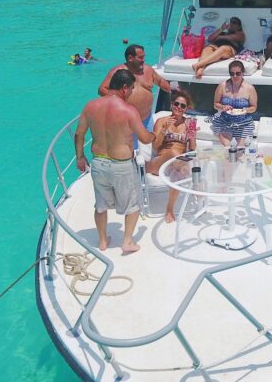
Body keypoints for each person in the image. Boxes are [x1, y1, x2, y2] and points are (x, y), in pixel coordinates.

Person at [75, 68, 154, 254]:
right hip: (122, 165)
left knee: (101, 205)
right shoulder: (128, 110)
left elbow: (79, 134)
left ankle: (102, 241)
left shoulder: (90, 106)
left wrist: (80, 157)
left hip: (99, 163)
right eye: (132, 89)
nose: (133, 93)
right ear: (124, 88)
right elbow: (144, 138)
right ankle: (127, 242)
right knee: (132, 206)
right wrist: (154, 135)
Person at [145, 89, 197, 222]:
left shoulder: (190, 123)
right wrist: (163, 130)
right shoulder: (162, 121)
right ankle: (191, 182)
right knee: (174, 153)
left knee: (179, 173)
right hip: (160, 162)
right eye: (176, 104)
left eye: (182, 106)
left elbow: (192, 149)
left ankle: (169, 210)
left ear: (186, 109)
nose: (179, 107)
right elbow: (155, 147)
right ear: (171, 105)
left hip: (178, 163)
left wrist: (193, 135)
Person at [99, 44, 171, 129]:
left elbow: (160, 81)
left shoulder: (148, 70)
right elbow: (102, 89)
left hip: (147, 120)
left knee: (150, 141)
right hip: (127, 123)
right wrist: (117, 99)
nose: (143, 60)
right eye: (140, 57)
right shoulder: (118, 72)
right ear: (130, 58)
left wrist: (173, 91)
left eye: (144, 57)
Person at [210, 60, 257, 146]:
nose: (235, 76)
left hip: (244, 123)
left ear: (242, 73)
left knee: (240, 149)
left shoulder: (250, 88)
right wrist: (223, 107)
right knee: (227, 147)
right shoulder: (222, 86)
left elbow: (253, 107)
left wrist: (246, 110)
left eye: (238, 73)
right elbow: (216, 104)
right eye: (232, 73)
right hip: (225, 121)